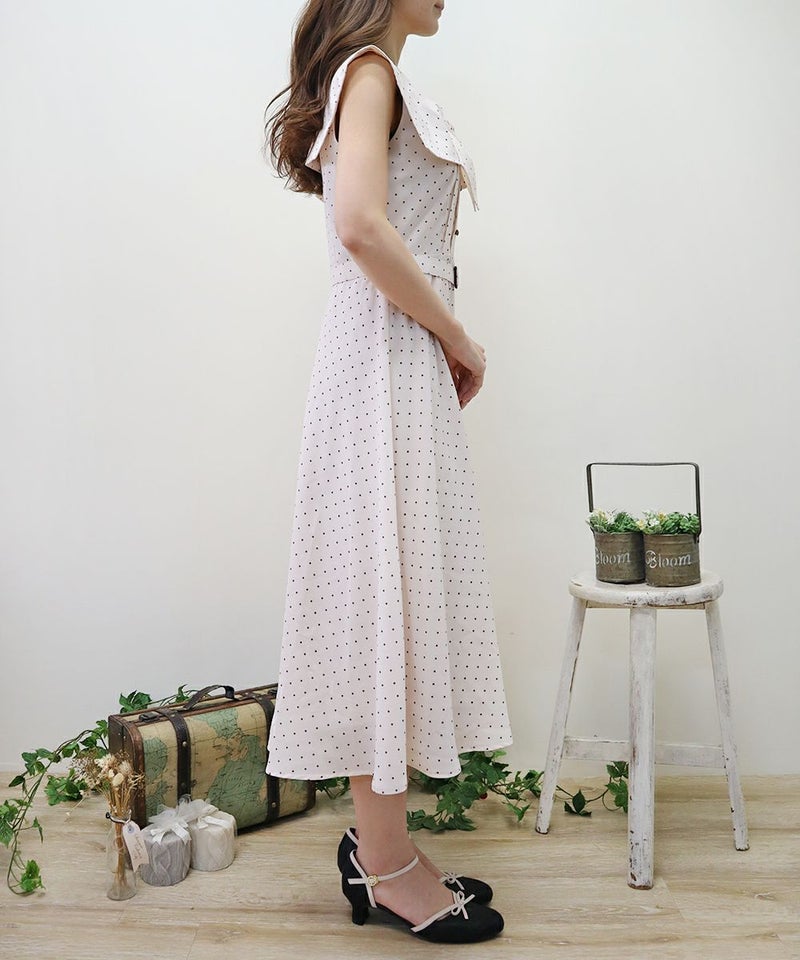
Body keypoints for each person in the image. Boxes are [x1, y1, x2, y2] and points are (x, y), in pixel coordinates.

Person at [262, 0, 513, 944]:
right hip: (384, 362)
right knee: (382, 601)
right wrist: (458, 336)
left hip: (389, 361)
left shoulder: (376, 77)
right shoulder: (369, 72)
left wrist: (439, 339)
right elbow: (361, 225)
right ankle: (385, 864)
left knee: (391, 600)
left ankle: (384, 849)